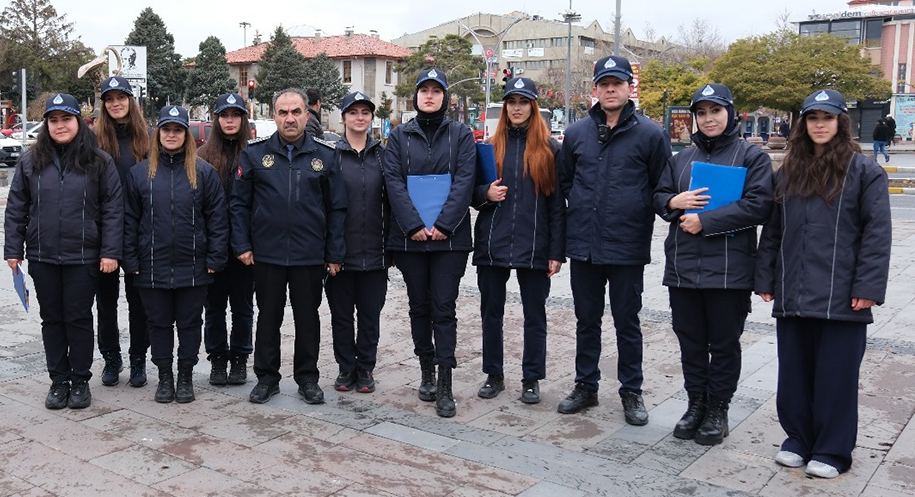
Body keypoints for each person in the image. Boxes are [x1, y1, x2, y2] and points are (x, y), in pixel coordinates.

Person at [756, 89, 891, 478]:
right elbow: (774, 229)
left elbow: (877, 234)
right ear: (803, 123)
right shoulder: (789, 171)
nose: (819, 125)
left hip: (842, 297)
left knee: (836, 378)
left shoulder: (865, 172)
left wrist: (867, 287)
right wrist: (766, 275)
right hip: (794, 291)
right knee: (794, 373)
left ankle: (832, 450)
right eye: (812, 118)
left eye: (827, 118)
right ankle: (797, 439)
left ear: (840, 122)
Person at [653, 83, 773, 445]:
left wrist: (707, 221)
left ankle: (718, 409)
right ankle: (695, 404)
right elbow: (658, 196)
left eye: (716, 111)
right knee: (689, 341)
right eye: (702, 113)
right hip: (683, 268)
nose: (709, 119)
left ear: (731, 113)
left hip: (729, 270)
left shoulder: (751, 157)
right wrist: (675, 201)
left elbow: (759, 205)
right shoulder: (681, 158)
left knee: (723, 343)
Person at [556, 55, 671, 422]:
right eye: (604, 84)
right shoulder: (575, 134)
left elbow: (660, 187)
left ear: (628, 88)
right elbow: (564, 184)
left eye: (617, 83)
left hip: (627, 246)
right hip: (585, 246)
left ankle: (631, 390)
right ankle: (585, 385)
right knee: (586, 319)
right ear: (595, 89)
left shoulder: (651, 134)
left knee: (627, 321)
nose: (610, 89)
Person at [4, 93, 123, 409]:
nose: (60, 126)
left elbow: (113, 210)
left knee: (79, 319)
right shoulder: (31, 161)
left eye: (65, 119)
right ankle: (58, 382)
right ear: (46, 125)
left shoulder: (99, 161)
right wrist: (13, 249)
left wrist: (110, 252)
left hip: (83, 257)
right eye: (53, 120)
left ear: (78, 122)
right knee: (51, 320)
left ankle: (80, 381)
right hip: (42, 257)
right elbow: (17, 207)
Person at [230, 88, 346, 405]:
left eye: (296, 112)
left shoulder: (325, 155)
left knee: (308, 319)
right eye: (283, 113)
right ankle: (267, 378)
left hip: (310, 254)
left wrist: (334, 252)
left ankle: (307, 379)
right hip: (266, 254)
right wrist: (242, 244)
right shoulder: (254, 154)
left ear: (307, 116)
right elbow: (239, 205)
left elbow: (337, 208)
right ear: (274, 116)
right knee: (268, 318)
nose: (290, 118)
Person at [384, 68, 476, 418]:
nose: (430, 96)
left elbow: (464, 182)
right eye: (424, 90)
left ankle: (446, 381)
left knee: (444, 308)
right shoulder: (399, 136)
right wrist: (413, 225)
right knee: (419, 307)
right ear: (416, 97)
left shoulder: (461, 135)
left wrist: (442, 225)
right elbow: (393, 183)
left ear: (445, 98)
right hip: (411, 240)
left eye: (437, 91)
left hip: (448, 241)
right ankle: (426, 370)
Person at [123, 105, 228, 404]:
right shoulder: (140, 173)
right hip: (150, 267)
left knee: (190, 324)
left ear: (186, 134)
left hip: (193, 266)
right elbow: (129, 221)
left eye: (177, 130)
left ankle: (185, 377)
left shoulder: (204, 173)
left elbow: (217, 219)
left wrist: (214, 259)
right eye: (166, 129)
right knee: (157, 324)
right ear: (158, 134)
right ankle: (165, 377)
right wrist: (130, 260)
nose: (171, 135)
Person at [472, 77, 565, 405]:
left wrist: (556, 251)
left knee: (534, 313)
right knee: (491, 312)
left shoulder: (550, 150)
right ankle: (493, 374)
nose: (516, 108)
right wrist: (486, 193)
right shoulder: (488, 147)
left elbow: (557, 205)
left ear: (533, 107)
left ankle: (531, 378)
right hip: (493, 243)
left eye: (523, 102)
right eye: (512, 102)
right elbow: (471, 194)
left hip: (534, 244)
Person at [326, 91, 390, 394]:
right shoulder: (331, 156)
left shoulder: (383, 155)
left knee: (369, 316)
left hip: (375, 254)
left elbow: (392, 202)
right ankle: (345, 368)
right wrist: (329, 250)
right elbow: (322, 206)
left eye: (365, 112)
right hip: (340, 254)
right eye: (353, 112)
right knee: (341, 316)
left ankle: (365, 368)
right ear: (344, 118)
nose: (360, 117)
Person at [94, 75, 151, 388]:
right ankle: (111, 359)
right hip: (102, 232)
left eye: (121, 97)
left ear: (131, 100)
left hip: (139, 233)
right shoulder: (95, 141)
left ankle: (139, 359)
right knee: (105, 302)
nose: (116, 103)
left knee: (139, 301)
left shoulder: (147, 138)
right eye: (109, 99)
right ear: (103, 104)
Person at [198, 93, 255, 386]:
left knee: (243, 307)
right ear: (216, 119)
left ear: (244, 118)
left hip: (246, 249)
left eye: (235, 114)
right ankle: (218, 358)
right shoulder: (203, 157)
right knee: (215, 307)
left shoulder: (255, 152)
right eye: (224, 115)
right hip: (213, 248)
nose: (230, 120)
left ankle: (241, 358)